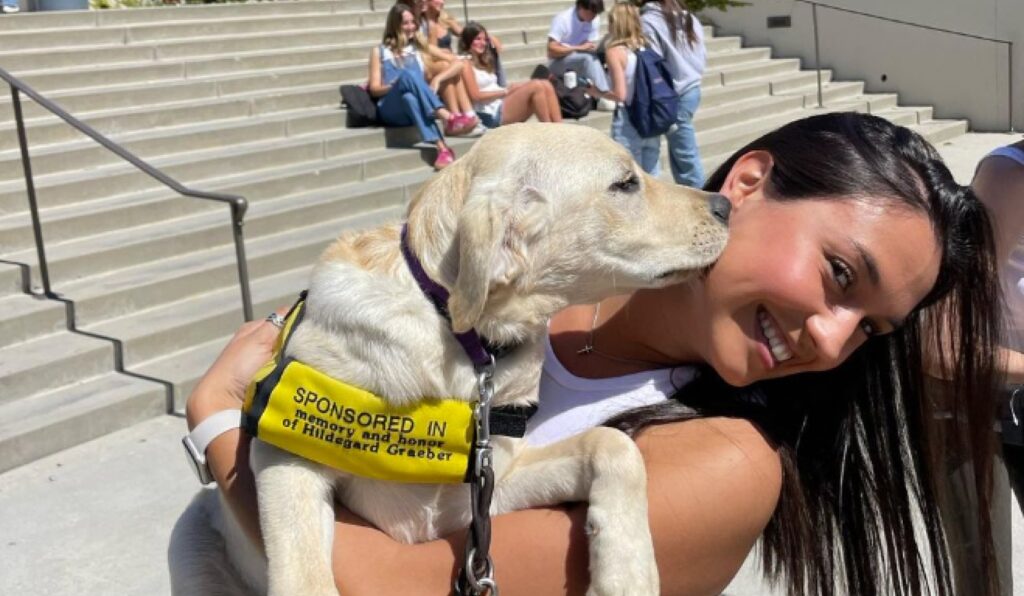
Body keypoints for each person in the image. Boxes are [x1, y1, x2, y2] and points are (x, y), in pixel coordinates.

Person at [185, 112, 1002, 595]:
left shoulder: (729, 465)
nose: (830, 338)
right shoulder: (537, 303)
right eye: (839, 275)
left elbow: (388, 586)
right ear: (748, 183)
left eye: (867, 330)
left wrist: (218, 422)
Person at [368, 4, 465, 169]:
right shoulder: (380, 51)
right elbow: (374, 89)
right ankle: (447, 116)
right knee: (406, 76)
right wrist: (394, 86)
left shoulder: (420, 48)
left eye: (413, 22)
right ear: (395, 25)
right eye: (405, 23)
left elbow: (458, 63)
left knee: (409, 98)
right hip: (389, 108)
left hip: (412, 106)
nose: (411, 26)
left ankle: (443, 149)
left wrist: (438, 79)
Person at [640, 0, 706, 187]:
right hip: (692, 87)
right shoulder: (688, 18)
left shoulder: (649, 21)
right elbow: (702, 54)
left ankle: (700, 196)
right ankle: (693, 193)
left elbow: (653, 62)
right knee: (682, 154)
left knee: (684, 156)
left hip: (671, 93)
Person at [459, 22, 563, 128]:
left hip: (500, 101)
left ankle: (560, 128)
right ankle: (549, 129)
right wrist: (504, 92)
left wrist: (509, 90)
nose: (483, 43)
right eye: (478, 39)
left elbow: (498, 46)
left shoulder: (482, 61)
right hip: (491, 114)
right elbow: (476, 96)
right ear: (468, 40)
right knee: (536, 86)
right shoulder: (466, 63)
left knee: (546, 84)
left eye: (484, 39)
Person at [598, 2, 661, 175]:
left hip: (628, 120)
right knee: (652, 177)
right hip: (650, 117)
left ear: (617, 23)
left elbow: (620, 94)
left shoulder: (615, 52)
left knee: (630, 177)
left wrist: (595, 91)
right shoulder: (647, 46)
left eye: (611, 21)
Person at [546, 0, 612, 101]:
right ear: (581, 7)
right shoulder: (563, 19)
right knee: (588, 59)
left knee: (601, 57)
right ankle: (605, 96)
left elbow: (588, 44)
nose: (594, 16)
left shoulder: (594, 20)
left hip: (579, 58)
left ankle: (608, 92)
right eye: (591, 13)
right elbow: (551, 50)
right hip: (558, 62)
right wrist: (577, 48)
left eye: (596, 13)